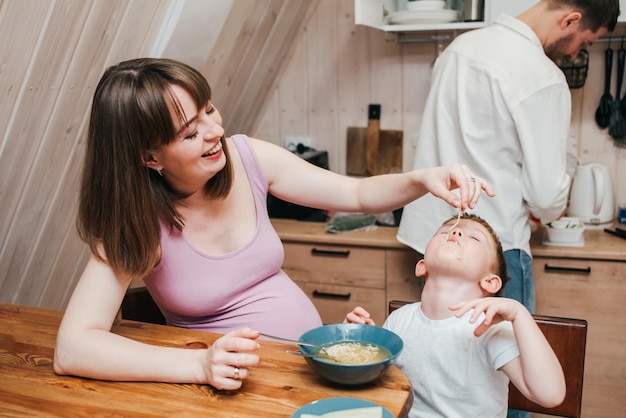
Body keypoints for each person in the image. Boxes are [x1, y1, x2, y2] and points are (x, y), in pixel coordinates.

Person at [53, 58, 494, 391]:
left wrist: (422, 179)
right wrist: (200, 366)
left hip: (303, 371)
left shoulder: (248, 158)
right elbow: (74, 347)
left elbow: (355, 194)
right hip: (235, 390)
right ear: (149, 157)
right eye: (190, 132)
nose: (213, 131)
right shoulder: (137, 224)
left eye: (209, 110)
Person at [397, 0, 620, 317]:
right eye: (584, 43)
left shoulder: (458, 49)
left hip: (434, 244)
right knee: (504, 363)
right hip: (495, 250)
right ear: (571, 20)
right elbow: (546, 199)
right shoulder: (542, 75)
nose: (574, 54)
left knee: (442, 355)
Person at [346, 213, 566, 418]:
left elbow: (551, 395)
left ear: (490, 281)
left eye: (475, 238)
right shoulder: (398, 321)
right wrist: (355, 345)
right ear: (422, 266)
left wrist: (520, 314)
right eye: (444, 232)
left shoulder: (489, 328)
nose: (455, 233)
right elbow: (373, 387)